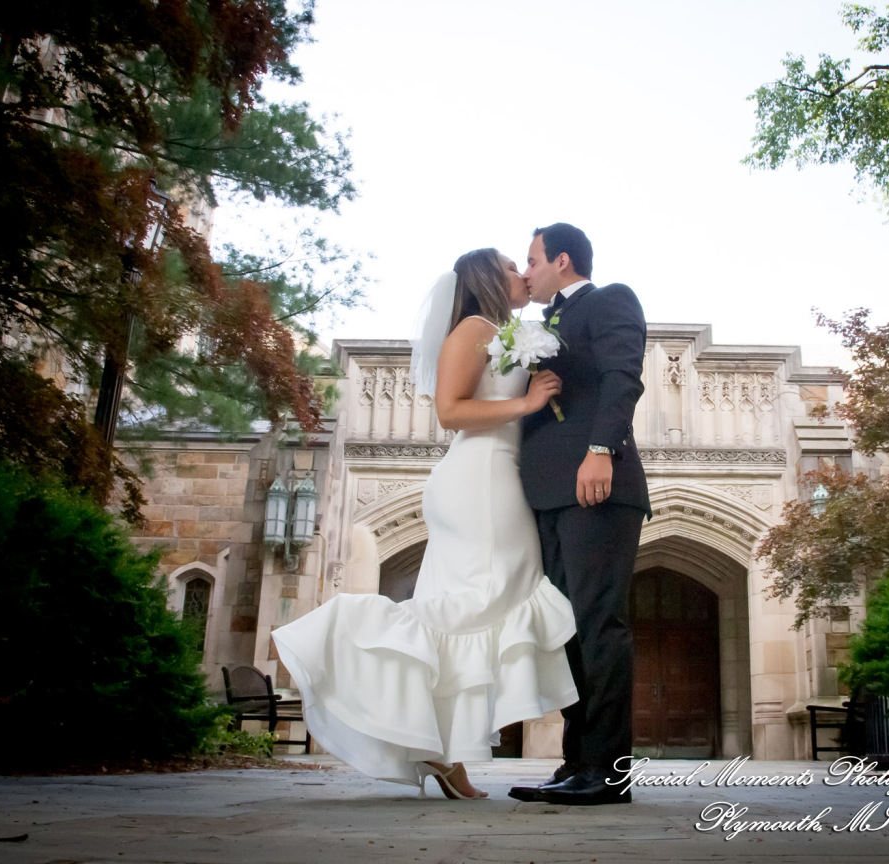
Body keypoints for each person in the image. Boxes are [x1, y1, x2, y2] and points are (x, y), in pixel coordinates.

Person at [272, 248, 578, 800]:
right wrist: (527, 403)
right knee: (487, 599)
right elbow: (450, 412)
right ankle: (342, 640)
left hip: (495, 474)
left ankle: (443, 753)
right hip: (480, 477)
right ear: (488, 278)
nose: (522, 272)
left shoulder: (502, 332)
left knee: (478, 602)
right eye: (512, 266)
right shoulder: (473, 328)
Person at [509, 223, 651, 806]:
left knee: (598, 626)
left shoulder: (610, 299)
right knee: (566, 631)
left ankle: (609, 773)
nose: (527, 272)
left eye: (532, 260)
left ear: (562, 260)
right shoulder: (540, 325)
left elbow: (623, 377)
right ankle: (577, 763)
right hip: (547, 495)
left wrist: (601, 450)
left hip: (597, 487)